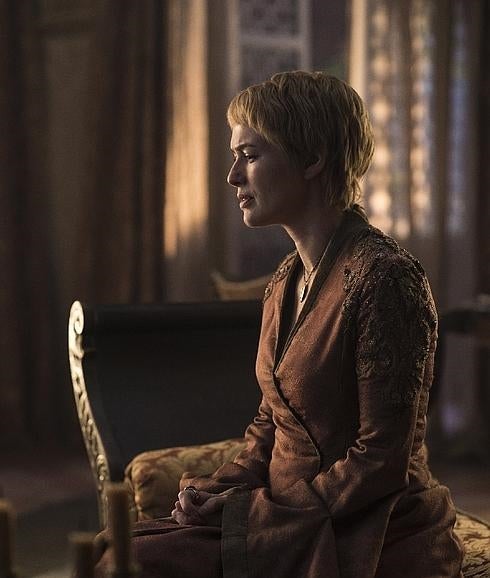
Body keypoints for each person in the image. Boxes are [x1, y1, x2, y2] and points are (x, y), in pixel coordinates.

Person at [95, 71, 464, 577]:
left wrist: (253, 517)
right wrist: (223, 488)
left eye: (249, 155)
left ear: (312, 159)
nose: (233, 176)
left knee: (132, 562)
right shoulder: (286, 279)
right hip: (284, 513)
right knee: (112, 546)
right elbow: (272, 423)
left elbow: (381, 460)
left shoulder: (387, 280)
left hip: (366, 526)